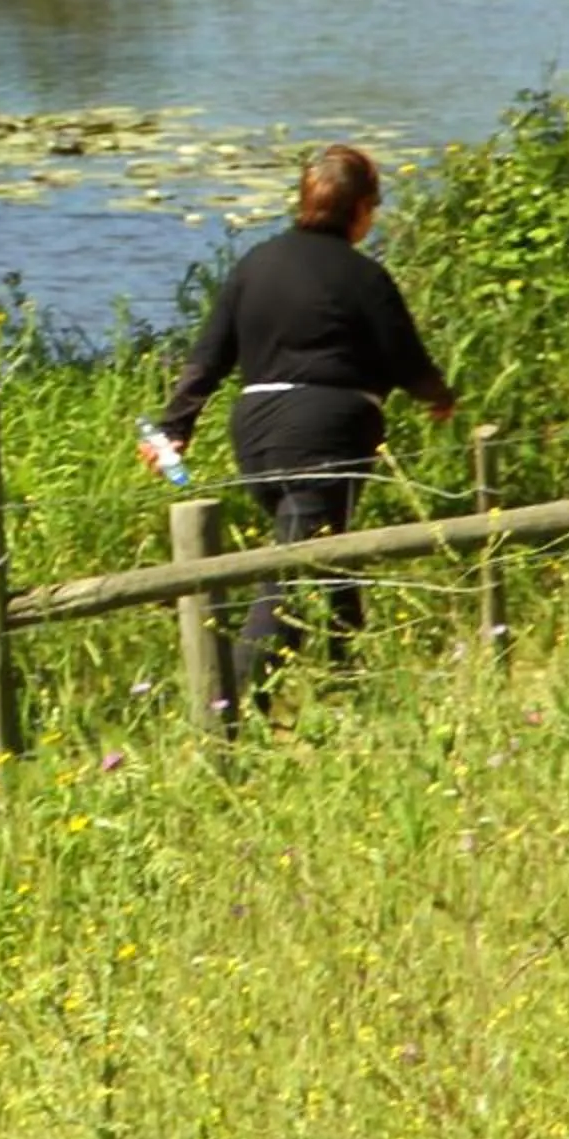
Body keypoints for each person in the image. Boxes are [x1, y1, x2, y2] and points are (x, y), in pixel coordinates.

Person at [145, 144, 457, 714]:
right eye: (376, 205)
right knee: (293, 574)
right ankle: (232, 717)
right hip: (324, 431)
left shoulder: (254, 265)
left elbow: (207, 357)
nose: (376, 215)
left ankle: (353, 690)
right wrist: (439, 398)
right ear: (360, 208)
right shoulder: (364, 277)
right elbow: (405, 358)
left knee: (323, 551)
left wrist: (174, 429)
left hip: (256, 431)